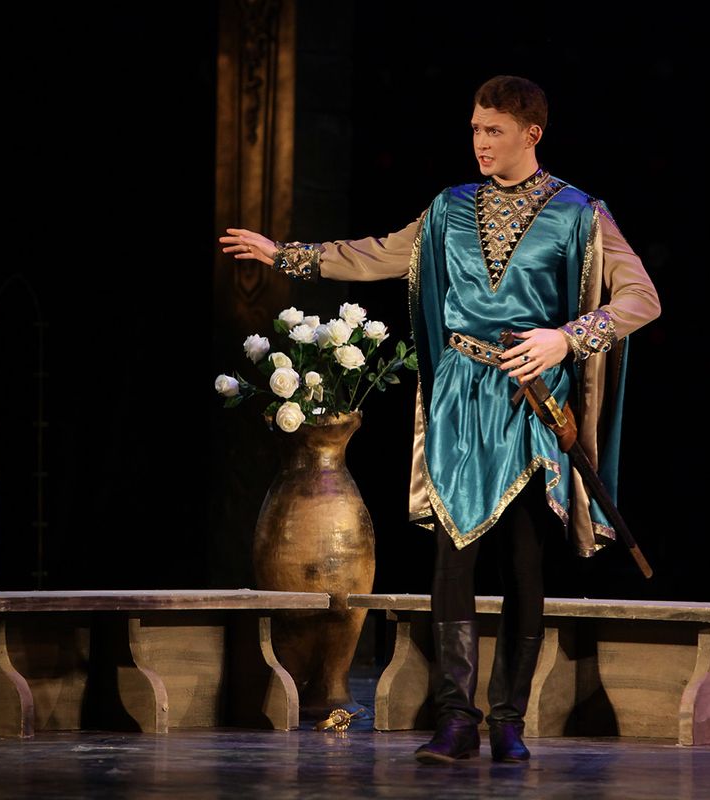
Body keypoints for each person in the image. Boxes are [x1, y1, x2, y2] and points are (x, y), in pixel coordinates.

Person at [220, 75, 660, 764]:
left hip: (527, 398)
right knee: (454, 554)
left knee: (522, 557)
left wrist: (567, 338)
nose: (481, 142)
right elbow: (375, 253)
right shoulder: (449, 210)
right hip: (460, 399)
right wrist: (288, 256)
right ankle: (456, 718)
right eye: (476, 129)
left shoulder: (580, 212)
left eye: (495, 130)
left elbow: (641, 298)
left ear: (532, 133)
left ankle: (508, 720)